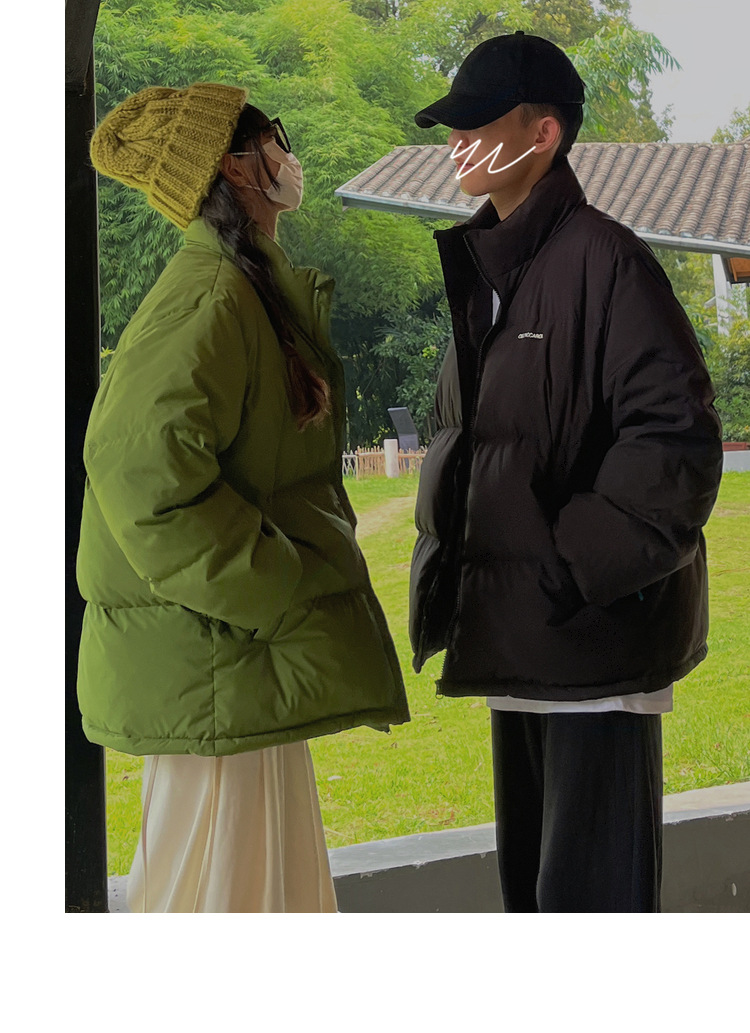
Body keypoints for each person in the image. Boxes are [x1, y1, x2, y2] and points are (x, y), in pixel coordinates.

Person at [409, 32, 723, 912]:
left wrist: (571, 565)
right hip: (516, 644)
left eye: (477, 122)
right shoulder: (490, 269)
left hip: (592, 653)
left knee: (593, 908)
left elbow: (676, 442)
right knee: (536, 904)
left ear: (543, 134)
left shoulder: (607, 260)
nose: (457, 142)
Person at [77, 83, 409, 913]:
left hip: (236, 667)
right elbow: (140, 472)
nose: (290, 159)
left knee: (252, 892)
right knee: (218, 901)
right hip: (220, 661)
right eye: (276, 140)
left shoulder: (241, 287)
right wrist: (275, 590)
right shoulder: (211, 295)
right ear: (234, 165)